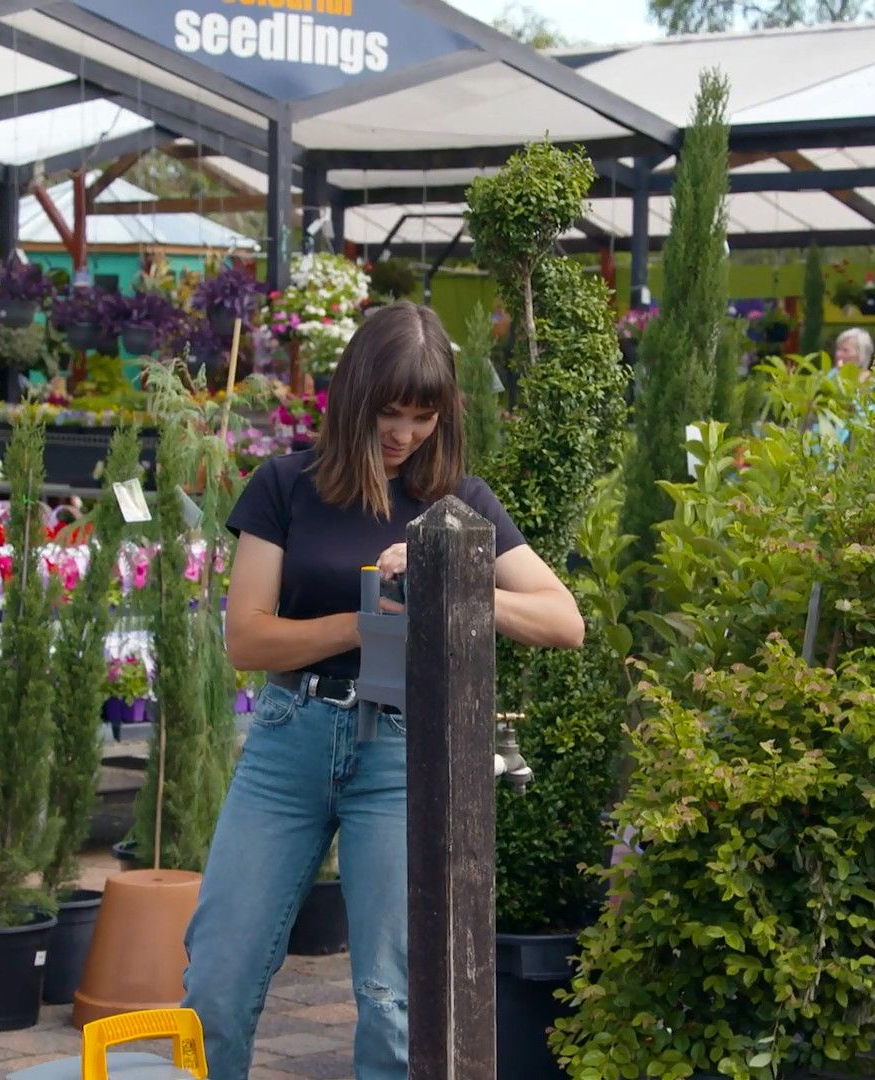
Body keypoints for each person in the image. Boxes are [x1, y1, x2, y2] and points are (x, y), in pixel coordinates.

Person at [183, 300, 585, 1080]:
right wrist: (363, 621)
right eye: (389, 413)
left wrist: (451, 579)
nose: (404, 434)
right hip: (288, 743)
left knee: (395, 1001)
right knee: (217, 982)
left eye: (422, 417)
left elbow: (563, 620)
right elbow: (247, 639)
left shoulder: (459, 503)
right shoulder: (284, 486)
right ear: (354, 398)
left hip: (401, 754)